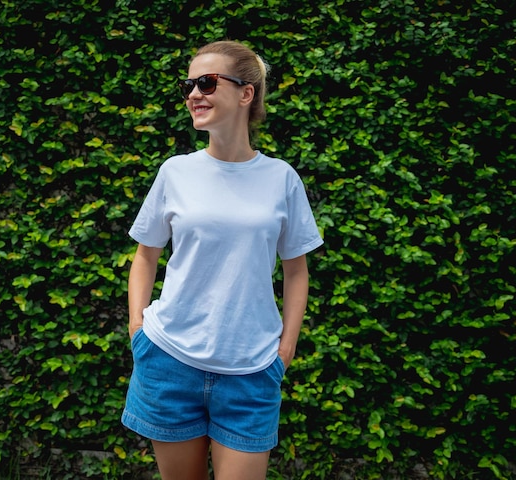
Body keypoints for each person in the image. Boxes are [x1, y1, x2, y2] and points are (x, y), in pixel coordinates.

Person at [121, 40, 323, 480]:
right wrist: (138, 328)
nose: (194, 93)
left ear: (246, 94)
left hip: (251, 371)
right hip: (169, 361)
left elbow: (296, 271)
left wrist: (285, 348)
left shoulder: (281, 178)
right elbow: (145, 255)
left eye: (207, 82)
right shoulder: (175, 172)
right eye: (189, 84)